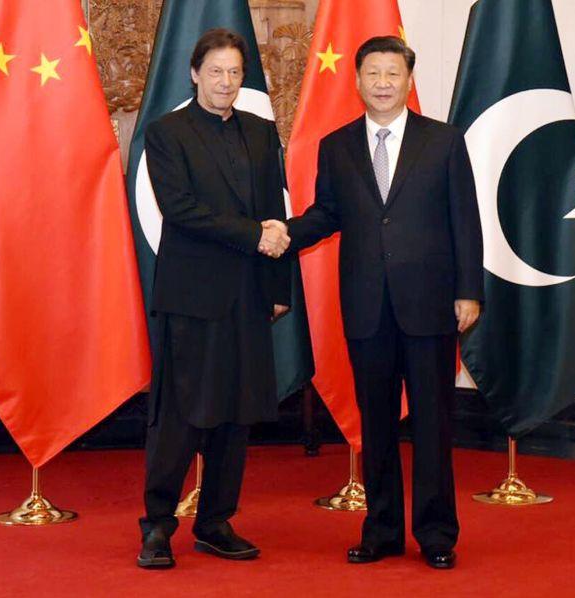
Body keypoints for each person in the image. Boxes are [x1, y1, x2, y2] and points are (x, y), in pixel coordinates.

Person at [265, 36, 483, 569]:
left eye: (393, 74)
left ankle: (436, 535)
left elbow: (466, 222)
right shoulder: (337, 146)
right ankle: (382, 530)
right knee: (377, 424)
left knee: (432, 424)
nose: (383, 83)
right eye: (373, 74)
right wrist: (286, 232)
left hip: (431, 305)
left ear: (409, 79)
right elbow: (327, 214)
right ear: (357, 79)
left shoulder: (444, 141)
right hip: (366, 307)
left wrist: (469, 291)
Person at [137, 28, 291, 569]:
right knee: (181, 417)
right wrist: (253, 235)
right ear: (195, 73)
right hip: (192, 299)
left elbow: (275, 213)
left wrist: (277, 289)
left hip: (249, 297)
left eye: (235, 73)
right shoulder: (165, 132)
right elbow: (181, 209)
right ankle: (157, 524)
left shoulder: (260, 132)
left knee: (236, 415)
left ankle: (216, 521)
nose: (226, 82)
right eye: (216, 71)